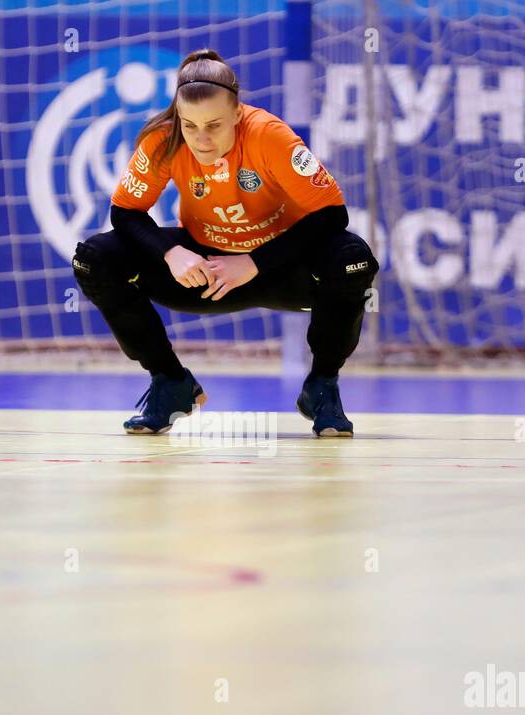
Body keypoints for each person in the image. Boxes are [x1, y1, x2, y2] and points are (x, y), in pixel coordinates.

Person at [71, 49, 381, 437]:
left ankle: (322, 386)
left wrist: (253, 262)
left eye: (214, 125)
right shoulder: (163, 139)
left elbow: (332, 215)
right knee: (95, 258)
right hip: (205, 273)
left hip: (280, 268)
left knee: (352, 259)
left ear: (237, 113)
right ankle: (170, 382)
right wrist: (171, 252)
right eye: (190, 125)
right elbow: (125, 212)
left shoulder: (270, 136)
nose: (201, 139)